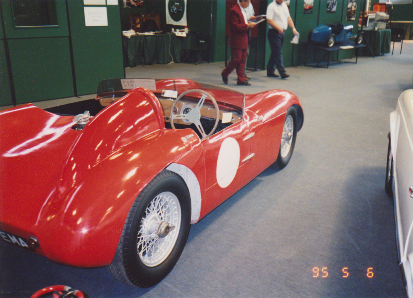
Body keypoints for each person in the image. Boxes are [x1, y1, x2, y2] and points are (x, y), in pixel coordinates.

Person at [222, 0, 257, 86]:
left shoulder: (243, 10)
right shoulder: (234, 10)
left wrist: (249, 20)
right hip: (237, 39)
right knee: (236, 59)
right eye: (248, 2)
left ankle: (241, 80)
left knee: (242, 60)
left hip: (244, 38)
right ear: (242, 2)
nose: (249, 4)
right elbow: (235, 26)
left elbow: (242, 21)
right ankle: (225, 73)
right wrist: (248, 26)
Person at [266, 0, 298, 79]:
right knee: (278, 52)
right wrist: (278, 28)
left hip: (282, 32)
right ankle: (282, 72)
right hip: (274, 32)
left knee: (275, 52)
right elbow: (269, 20)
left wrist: (293, 28)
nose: (281, 0)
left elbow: (288, 18)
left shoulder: (284, 6)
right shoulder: (271, 6)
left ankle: (270, 71)